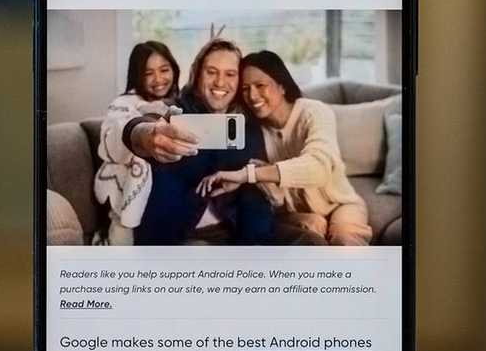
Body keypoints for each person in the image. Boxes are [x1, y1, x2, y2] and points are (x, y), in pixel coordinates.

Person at [201, 50, 373, 246]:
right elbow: (273, 196)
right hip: (294, 214)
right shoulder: (253, 130)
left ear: (282, 86)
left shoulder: (314, 112)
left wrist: (247, 175)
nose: (252, 95)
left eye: (260, 85)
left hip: (339, 205)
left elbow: (318, 167)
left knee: (344, 238)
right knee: (311, 233)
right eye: (245, 88)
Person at [131, 36, 276, 245]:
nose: (219, 82)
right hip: (180, 235)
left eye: (230, 74)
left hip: (239, 232)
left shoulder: (248, 122)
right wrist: (145, 132)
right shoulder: (176, 112)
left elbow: (264, 181)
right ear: (198, 75)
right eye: (211, 72)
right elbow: (145, 122)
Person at [93, 41, 195, 245]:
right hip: (130, 181)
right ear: (136, 75)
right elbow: (115, 133)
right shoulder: (124, 104)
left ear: (174, 69)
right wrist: (142, 133)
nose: (158, 79)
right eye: (148, 73)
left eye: (164, 70)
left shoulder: (181, 101)